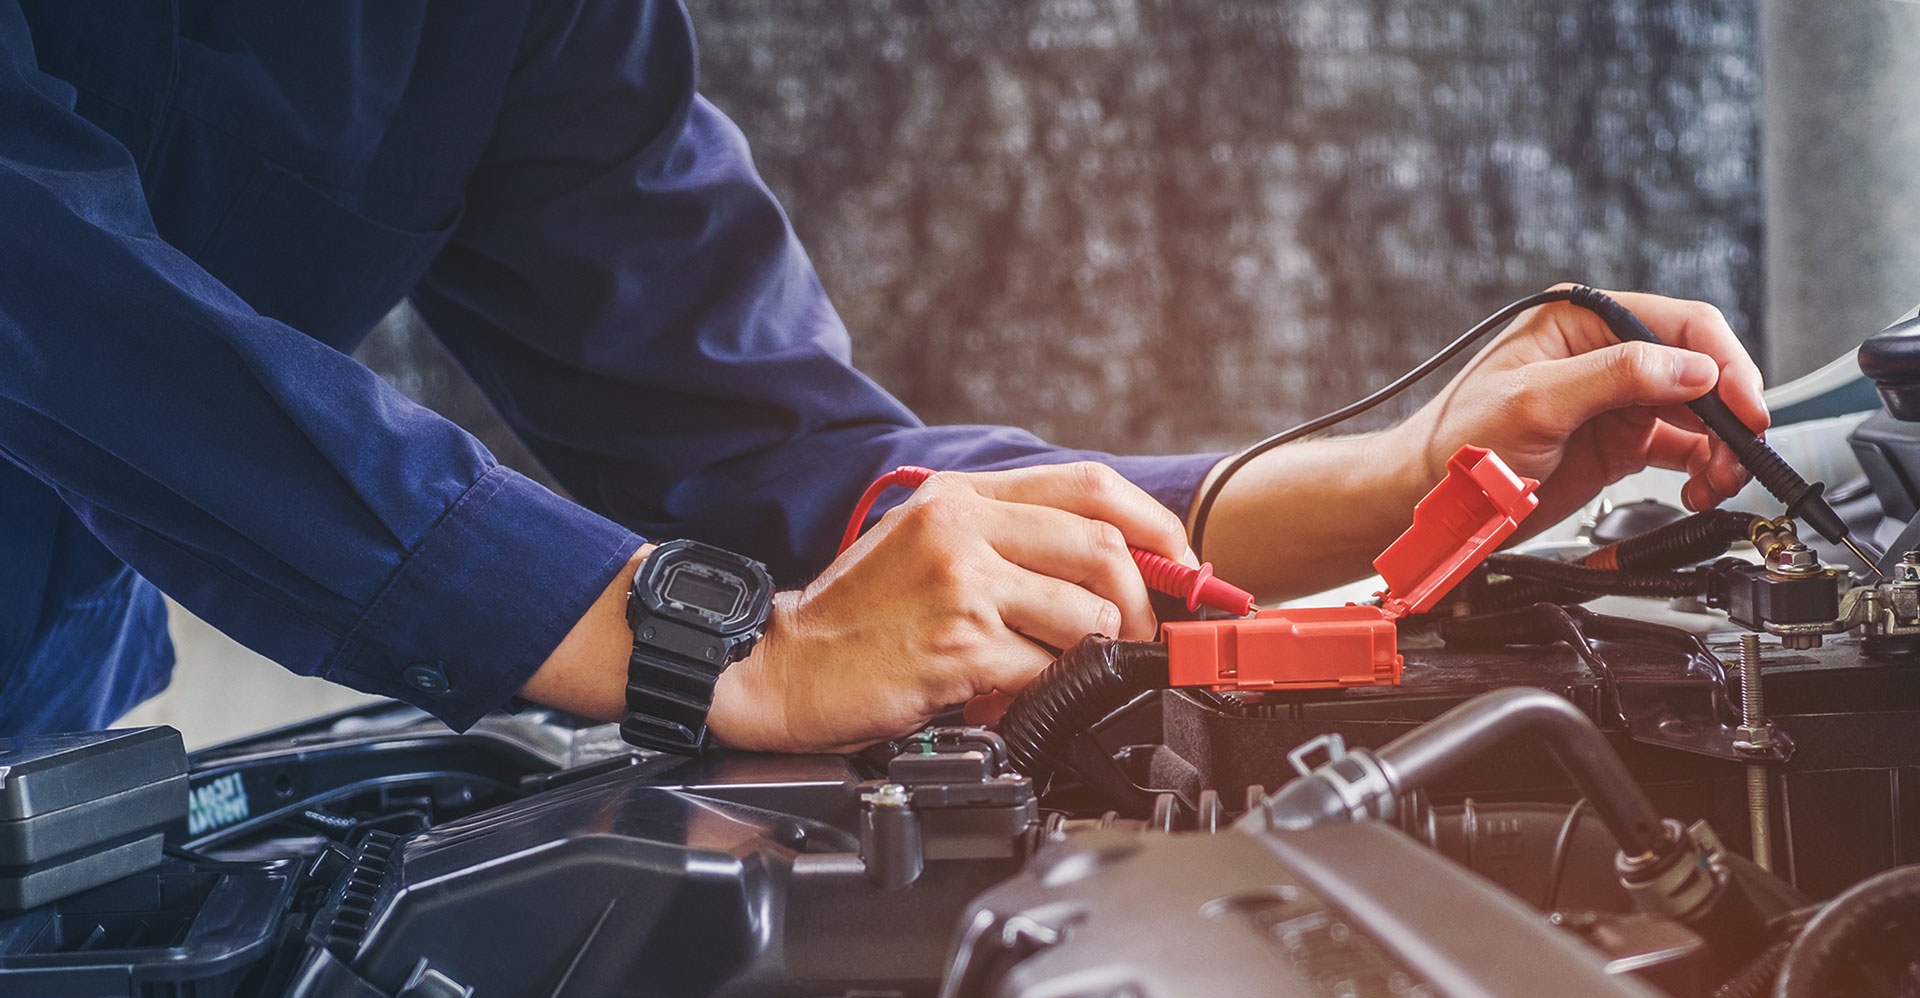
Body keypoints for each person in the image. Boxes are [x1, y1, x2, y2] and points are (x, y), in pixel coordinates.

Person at [0, 0, 1766, 748]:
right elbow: (54, 302)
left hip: (46, 771)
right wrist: (723, 652)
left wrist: (1388, 475)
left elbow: (765, 442)